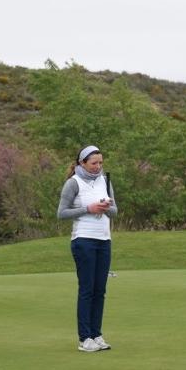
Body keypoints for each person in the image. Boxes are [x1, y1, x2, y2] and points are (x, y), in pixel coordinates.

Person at [57, 145, 118, 352]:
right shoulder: (73, 183)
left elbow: (115, 212)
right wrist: (88, 209)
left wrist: (106, 207)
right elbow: (62, 213)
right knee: (87, 289)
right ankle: (85, 338)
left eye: (100, 163)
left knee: (100, 290)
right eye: (94, 163)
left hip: (104, 240)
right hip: (83, 240)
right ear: (82, 163)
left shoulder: (105, 180)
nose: (98, 167)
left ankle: (96, 334)